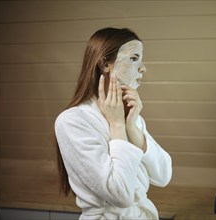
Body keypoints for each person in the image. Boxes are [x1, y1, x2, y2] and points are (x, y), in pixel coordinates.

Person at [54, 27, 172, 220]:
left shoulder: (130, 116)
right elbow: (120, 195)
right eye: (134, 58)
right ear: (105, 64)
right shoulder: (72, 121)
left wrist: (131, 126)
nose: (143, 67)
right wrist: (117, 125)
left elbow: (163, 175)